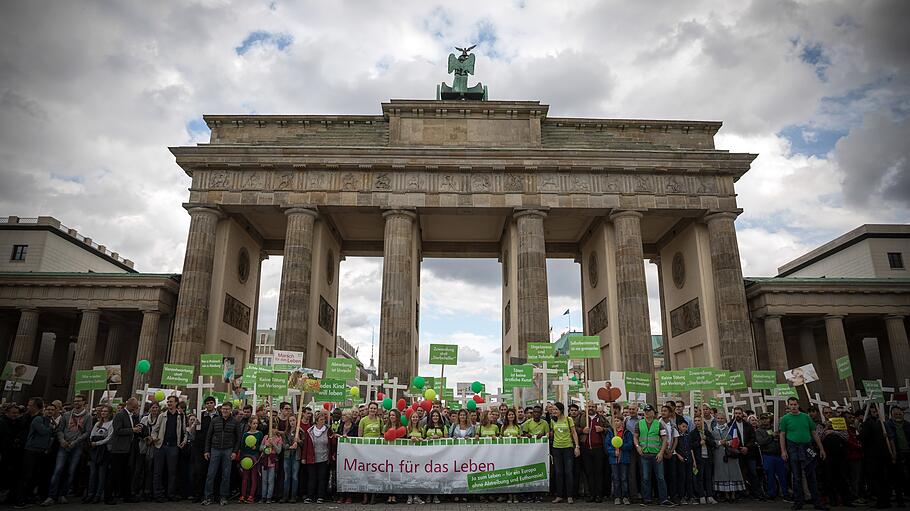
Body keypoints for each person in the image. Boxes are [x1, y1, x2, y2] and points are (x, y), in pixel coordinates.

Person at [780, 397, 827, 510]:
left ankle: (817, 503)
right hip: (793, 447)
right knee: (796, 477)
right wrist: (783, 451)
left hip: (807, 447)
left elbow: (814, 433)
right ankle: (798, 502)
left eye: (795, 404)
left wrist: (821, 449)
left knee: (812, 475)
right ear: (788, 406)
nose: (793, 406)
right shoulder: (785, 419)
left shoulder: (806, 417)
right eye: (791, 405)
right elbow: (782, 434)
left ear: (798, 404)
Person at [46, 395, 92, 505]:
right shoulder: (66, 415)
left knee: (70, 472)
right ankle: (51, 495)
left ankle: (63, 494)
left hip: (77, 447)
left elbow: (87, 432)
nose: (76, 403)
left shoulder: (88, 416)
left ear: (84, 403)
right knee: (58, 470)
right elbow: (60, 430)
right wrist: (62, 440)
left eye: (79, 401)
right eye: (75, 401)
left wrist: (75, 442)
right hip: (64, 446)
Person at [202, 402, 240, 506]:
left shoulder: (235, 422)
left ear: (231, 410)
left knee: (226, 475)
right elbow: (209, 436)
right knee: (211, 474)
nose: (225, 411)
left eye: (227, 409)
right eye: (223, 409)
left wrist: (234, 452)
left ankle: (223, 497)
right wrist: (206, 450)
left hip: (228, 450)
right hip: (215, 449)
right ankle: (208, 497)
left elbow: (238, 438)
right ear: (221, 409)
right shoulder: (215, 421)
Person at [150, 395, 186, 502]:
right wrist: (154, 438)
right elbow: (154, 430)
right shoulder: (162, 416)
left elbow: (185, 432)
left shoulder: (181, 416)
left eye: (171, 402)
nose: (169, 403)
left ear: (176, 403)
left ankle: (171, 493)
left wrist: (183, 442)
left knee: (172, 472)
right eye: (168, 402)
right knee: (158, 471)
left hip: (174, 447)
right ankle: (158, 494)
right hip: (161, 446)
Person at [105, 397, 141, 504]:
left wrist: (136, 426)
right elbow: (118, 430)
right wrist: (132, 430)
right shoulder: (120, 415)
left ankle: (127, 496)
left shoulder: (131, 416)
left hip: (128, 449)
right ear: (129, 405)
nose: (135, 409)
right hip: (119, 450)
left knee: (127, 474)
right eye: (134, 407)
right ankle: (108, 497)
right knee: (114, 474)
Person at [17, 398, 52, 509]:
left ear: (37, 407)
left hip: (39, 450)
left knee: (34, 475)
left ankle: (28, 496)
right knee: (27, 475)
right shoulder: (36, 419)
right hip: (31, 450)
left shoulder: (42, 418)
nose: (28, 407)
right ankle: (21, 499)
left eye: (30, 405)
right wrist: (51, 427)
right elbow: (44, 431)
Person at [635, 404, 671, 506]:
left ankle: (663, 499)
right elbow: (635, 436)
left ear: (653, 413)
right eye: (645, 411)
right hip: (644, 455)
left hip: (656, 455)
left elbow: (664, 439)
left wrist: (661, 452)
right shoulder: (639, 423)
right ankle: (647, 499)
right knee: (645, 478)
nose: (646, 413)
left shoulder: (659, 424)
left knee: (660, 477)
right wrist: (637, 446)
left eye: (649, 411)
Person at [550, 402, 580, 504]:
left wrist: (577, 446)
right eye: (553, 410)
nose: (554, 411)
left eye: (556, 410)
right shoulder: (552, 421)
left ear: (561, 410)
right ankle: (559, 495)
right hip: (556, 448)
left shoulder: (569, 419)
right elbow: (552, 433)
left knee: (568, 472)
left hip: (568, 448)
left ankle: (570, 496)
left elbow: (574, 433)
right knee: (558, 472)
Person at [712, 410, 745, 502]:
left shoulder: (730, 428)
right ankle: (726, 495)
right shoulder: (713, 431)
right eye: (718, 418)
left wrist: (728, 443)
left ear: (725, 419)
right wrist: (719, 442)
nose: (720, 420)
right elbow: (711, 442)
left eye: (722, 418)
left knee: (733, 473)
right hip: (719, 455)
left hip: (730, 454)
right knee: (722, 474)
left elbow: (736, 440)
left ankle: (733, 495)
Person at [86, 404, 114, 504]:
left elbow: (109, 438)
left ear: (110, 413)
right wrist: (91, 442)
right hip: (94, 450)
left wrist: (97, 442)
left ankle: (98, 495)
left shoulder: (111, 423)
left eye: (106, 411)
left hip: (104, 451)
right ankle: (90, 494)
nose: (103, 413)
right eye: (102, 411)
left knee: (101, 474)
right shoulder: (98, 423)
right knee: (93, 474)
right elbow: (92, 435)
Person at [756, 413, 788, 501]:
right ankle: (771, 493)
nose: (764, 420)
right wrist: (771, 436)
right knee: (769, 475)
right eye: (762, 419)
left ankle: (785, 493)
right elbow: (761, 442)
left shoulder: (775, 429)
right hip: (767, 455)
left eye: (766, 418)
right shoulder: (759, 431)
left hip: (778, 455)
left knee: (783, 475)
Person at [303, 410, 333, 504]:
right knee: (312, 478)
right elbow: (306, 445)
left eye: (324, 419)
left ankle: (321, 496)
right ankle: (310, 496)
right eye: (321, 419)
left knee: (322, 478)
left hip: (324, 458)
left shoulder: (328, 430)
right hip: (312, 457)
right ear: (316, 420)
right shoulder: (310, 431)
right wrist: (304, 457)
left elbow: (331, 443)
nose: (323, 421)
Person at [191, 396, 217, 503]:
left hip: (214, 446)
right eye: (207, 403)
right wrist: (194, 425)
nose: (209, 405)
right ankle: (198, 494)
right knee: (199, 470)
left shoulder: (218, 416)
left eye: (211, 403)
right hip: (200, 446)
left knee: (212, 472)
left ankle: (211, 494)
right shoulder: (200, 416)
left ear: (214, 404)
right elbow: (192, 433)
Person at [580, 402, 606, 503]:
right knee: (589, 473)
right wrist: (582, 430)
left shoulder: (601, 418)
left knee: (598, 472)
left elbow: (610, 429)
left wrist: (602, 429)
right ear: (586, 407)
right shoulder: (582, 418)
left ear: (595, 408)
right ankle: (591, 494)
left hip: (598, 449)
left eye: (592, 406)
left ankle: (599, 495)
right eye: (588, 406)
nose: (590, 408)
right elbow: (574, 429)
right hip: (586, 448)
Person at [135, 402, 160, 501]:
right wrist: (146, 437)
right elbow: (140, 430)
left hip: (154, 446)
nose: (154, 409)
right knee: (140, 470)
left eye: (156, 408)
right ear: (150, 409)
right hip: (143, 446)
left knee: (151, 470)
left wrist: (154, 439)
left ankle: (148, 491)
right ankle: (138, 491)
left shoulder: (160, 419)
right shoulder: (145, 419)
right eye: (153, 407)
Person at [886, 406, 910, 507]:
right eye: (896, 414)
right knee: (898, 477)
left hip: (908, 452)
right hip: (897, 453)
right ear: (892, 415)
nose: (898, 416)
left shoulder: (907, 425)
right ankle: (900, 499)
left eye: (900, 414)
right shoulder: (888, 425)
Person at [607, 415, 633, 505]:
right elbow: (607, 445)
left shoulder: (627, 433)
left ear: (622, 422)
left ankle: (625, 496)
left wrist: (620, 446)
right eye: (614, 421)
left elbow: (630, 445)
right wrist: (613, 452)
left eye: (618, 421)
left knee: (624, 478)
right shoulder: (610, 432)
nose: (616, 423)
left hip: (624, 458)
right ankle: (617, 496)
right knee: (616, 478)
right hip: (614, 459)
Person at [691, 414, 717, 504]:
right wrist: (699, 443)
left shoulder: (706, 432)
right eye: (696, 421)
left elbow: (713, 443)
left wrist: (706, 439)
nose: (698, 422)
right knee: (700, 478)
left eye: (699, 420)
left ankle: (710, 496)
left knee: (708, 477)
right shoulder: (693, 433)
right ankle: (701, 496)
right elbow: (691, 446)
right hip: (699, 459)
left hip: (708, 458)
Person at [238, 414, 262, 504]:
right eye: (254, 423)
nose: (255, 425)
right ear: (250, 424)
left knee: (254, 477)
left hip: (255, 457)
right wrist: (241, 459)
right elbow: (242, 447)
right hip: (246, 458)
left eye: (257, 423)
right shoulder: (245, 434)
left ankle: (251, 495)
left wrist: (256, 447)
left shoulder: (259, 434)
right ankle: (243, 495)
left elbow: (260, 446)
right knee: (245, 477)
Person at [260, 419, 283, 504]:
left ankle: (269, 497)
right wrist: (266, 445)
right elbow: (260, 448)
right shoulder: (265, 437)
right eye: (272, 428)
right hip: (265, 460)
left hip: (273, 460)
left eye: (274, 428)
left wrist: (273, 444)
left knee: (271, 480)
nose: (273, 430)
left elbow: (279, 451)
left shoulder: (279, 438)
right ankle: (263, 496)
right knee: (264, 480)